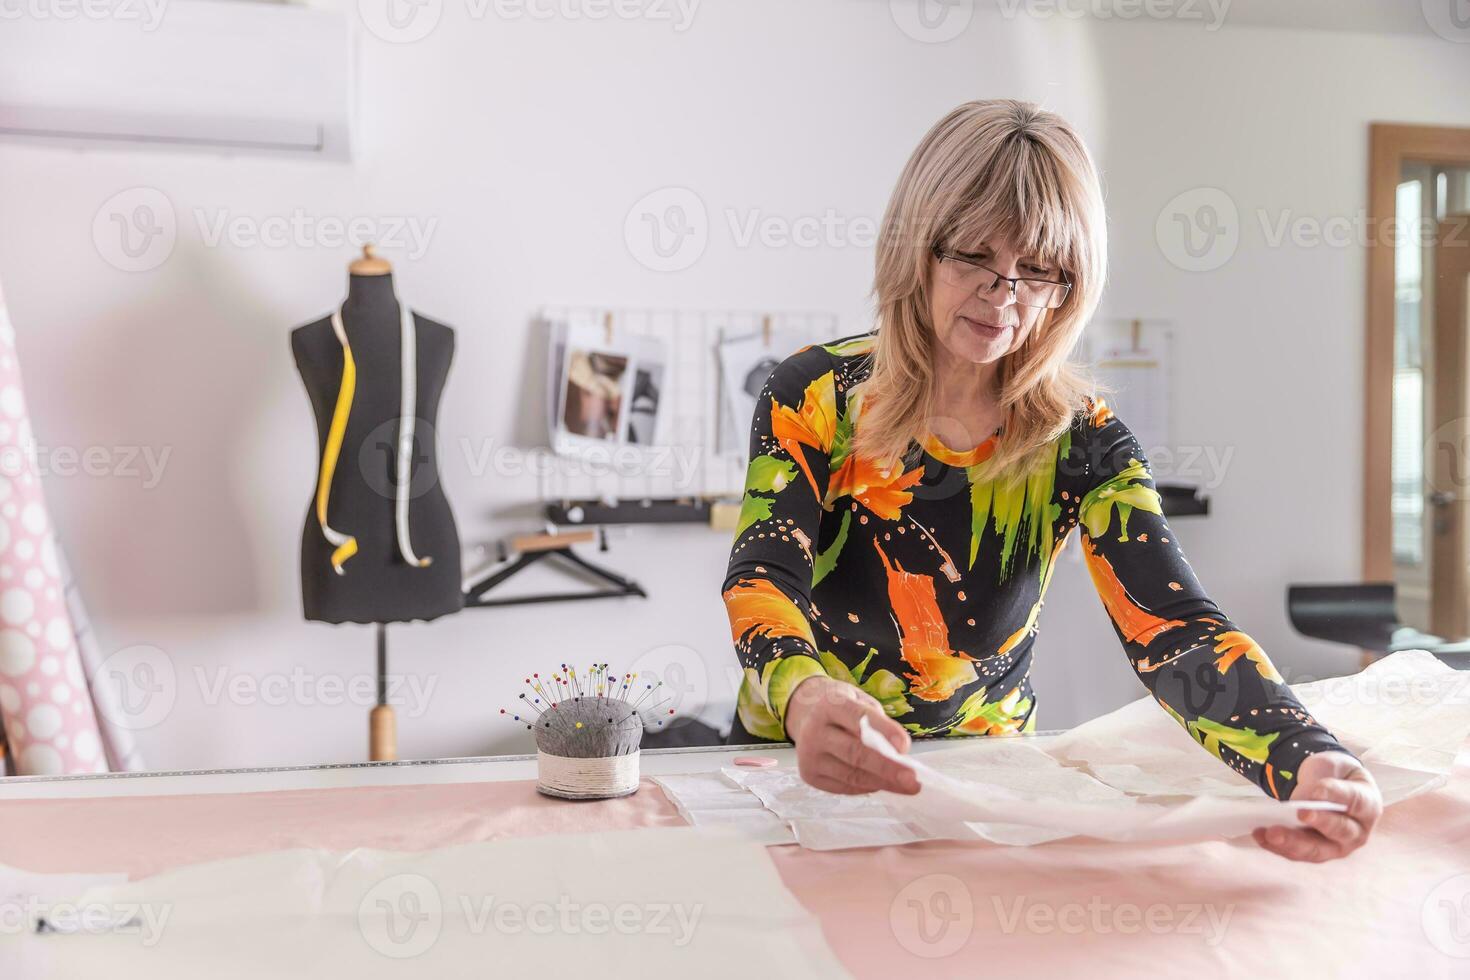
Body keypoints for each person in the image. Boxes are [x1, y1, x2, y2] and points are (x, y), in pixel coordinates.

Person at [720, 99, 1381, 863]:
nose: (1004, 296)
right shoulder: (816, 393)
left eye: (1038, 271)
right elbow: (765, 573)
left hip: (982, 790)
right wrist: (805, 695)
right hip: (796, 768)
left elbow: (1174, 629)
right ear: (917, 244)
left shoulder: (1084, 441)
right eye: (974, 255)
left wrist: (1305, 757)